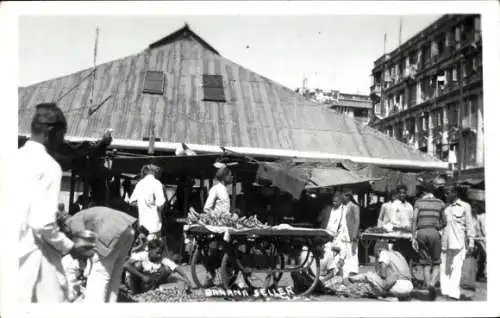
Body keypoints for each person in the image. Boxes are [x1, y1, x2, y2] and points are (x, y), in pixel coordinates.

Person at [15, 103, 95, 302]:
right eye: (62, 135)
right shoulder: (49, 166)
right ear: (51, 133)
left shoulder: (13, 158)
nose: (63, 141)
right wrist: (71, 247)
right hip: (35, 257)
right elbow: (42, 223)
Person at [64, 206, 139, 303]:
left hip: (111, 231)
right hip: (127, 228)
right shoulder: (83, 215)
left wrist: (84, 264)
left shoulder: (72, 222)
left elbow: (83, 246)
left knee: (99, 273)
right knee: (115, 273)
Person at [411, 181, 447, 301]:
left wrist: (413, 236)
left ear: (424, 192)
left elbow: (414, 220)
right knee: (436, 263)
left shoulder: (418, 202)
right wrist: (437, 227)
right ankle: (432, 284)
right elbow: (445, 222)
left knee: (425, 263)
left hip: (421, 233)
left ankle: (427, 287)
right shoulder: (440, 203)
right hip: (434, 233)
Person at [440, 184, 475, 300]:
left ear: (454, 193)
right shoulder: (445, 208)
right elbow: (442, 225)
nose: (445, 195)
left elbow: (470, 225)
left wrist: (471, 242)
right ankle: (445, 291)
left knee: (457, 268)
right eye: (445, 193)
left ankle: (453, 293)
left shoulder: (465, 206)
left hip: (459, 242)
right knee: (444, 267)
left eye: (447, 192)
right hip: (445, 241)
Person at [348, 240, 413, 301]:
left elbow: (383, 274)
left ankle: (351, 279)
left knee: (370, 275)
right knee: (380, 281)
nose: (377, 258)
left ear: (378, 249)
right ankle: (401, 296)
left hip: (398, 288)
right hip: (409, 287)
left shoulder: (384, 253)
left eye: (376, 256)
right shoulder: (398, 254)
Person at [123, 239, 194, 294]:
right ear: (150, 250)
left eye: (160, 253)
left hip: (148, 284)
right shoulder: (141, 255)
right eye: (157, 253)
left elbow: (176, 267)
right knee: (137, 265)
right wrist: (142, 276)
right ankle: (137, 291)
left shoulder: (161, 258)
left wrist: (187, 279)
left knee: (166, 269)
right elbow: (126, 265)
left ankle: (150, 291)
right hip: (135, 283)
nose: (159, 255)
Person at [316, 193, 349, 279]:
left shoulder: (343, 211)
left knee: (339, 252)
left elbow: (342, 226)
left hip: (336, 236)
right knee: (326, 252)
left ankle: (332, 274)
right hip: (325, 235)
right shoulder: (328, 209)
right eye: (333, 201)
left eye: (336, 201)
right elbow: (319, 219)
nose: (334, 202)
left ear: (340, 201)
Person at [130, 164, 166, 240]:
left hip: (142, 225)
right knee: (154, 248)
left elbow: (131, 201)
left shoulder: (139, 184)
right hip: (154, 225)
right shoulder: (157, 183)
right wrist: (156, 208)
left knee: (143, 247)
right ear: (154, 173)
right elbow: (161, 203)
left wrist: (141, 204)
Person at [342, 189, 361, 276]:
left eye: (345, 195)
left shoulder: (354, 206)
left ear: (349, 197)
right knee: (345, 254)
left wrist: (354, 235)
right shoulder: (342, 207)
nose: (343, 197)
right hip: (344, 235)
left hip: (351, 234)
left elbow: (357, 221)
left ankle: (352, 273)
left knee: (353, 253)